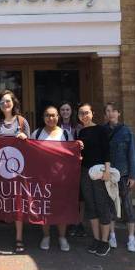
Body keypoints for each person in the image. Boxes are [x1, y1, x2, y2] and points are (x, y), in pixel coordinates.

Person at [0, 89, 30, 254]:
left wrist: (25, 139)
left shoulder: (22, 121)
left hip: (16, 172)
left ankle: (19, 239)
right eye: (2, 101)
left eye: (8, 101)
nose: (5, 104)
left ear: (13, 103)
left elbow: (31, 147)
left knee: (17, 204)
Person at [31, 106, 70, 252]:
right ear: (43, 117)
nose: (50, 118)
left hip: (61, 178)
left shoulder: (65, 134)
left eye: (53, 115)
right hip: (42, 178)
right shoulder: (37, 133)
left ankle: (62, 237)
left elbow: (71, 154)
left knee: (61, 208)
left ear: (58, 117)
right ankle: (46, 236)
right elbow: (29, 152)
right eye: (47, 115)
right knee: (44, 208)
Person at [76, 102, 112, 257]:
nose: (84, 116)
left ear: (92, 113)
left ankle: (105, 241)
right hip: (85, 172)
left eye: (86, 112)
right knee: (90, 204)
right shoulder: (81, 132)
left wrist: (107, 171)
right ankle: (96, 239)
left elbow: (107, 151)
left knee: (102, 204)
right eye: (81, 113)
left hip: (99, 172)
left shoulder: (101, 130)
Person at [104, 102, 135, 252]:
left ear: (119, 113)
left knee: (127, 206)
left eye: (113, 111)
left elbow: (132, 154)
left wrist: (133, 175)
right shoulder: (103, 131)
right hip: (109, 175)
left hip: (124, 174)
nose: (110, 114)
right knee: (110, 206)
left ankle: (131, 238)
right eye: (107, 111)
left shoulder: (126, 132)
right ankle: (112, 235)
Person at [59, 101, 87, 238]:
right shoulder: (55, 127)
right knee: (66, 194)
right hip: (61, 167)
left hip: (77, 165)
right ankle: (66, 221)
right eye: (63, 109)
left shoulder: (78, 127)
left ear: (71, 112)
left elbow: (84, 145)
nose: (65, 112)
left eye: (67, 109)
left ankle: (79, 223)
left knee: (79, 196)